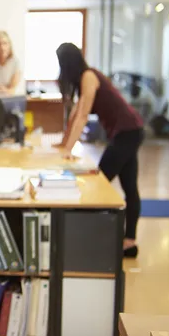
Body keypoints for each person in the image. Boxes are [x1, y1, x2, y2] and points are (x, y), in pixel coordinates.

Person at [54, 42, 144, 258]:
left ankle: (100, 238)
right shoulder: (84, 78)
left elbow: (83, 115)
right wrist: (63, 143)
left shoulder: (89, 77)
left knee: (98, 181)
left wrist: (67, 149)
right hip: (128, 131)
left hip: (127, 132)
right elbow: (76, 113)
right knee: (129, 186)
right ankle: (129, 242)